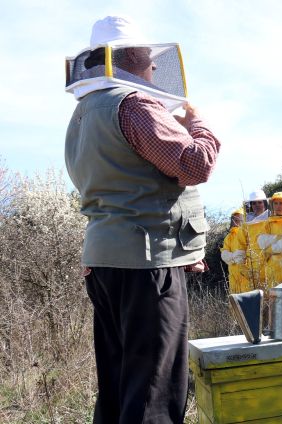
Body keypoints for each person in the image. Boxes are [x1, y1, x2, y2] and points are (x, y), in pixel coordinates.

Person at [64, 16, 220, 423]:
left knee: (119, 384)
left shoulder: (82, 114)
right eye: (148, 60)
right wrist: (197, 123)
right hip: (147, 264)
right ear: (133, 58)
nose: (153, 68)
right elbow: (194, 164)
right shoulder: (133, 105)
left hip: (104, 261)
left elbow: (118, 190)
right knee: (154, 387)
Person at [237, 189, 270, 288]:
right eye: (254, 203)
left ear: (264, 203)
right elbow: (241, 244)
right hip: (253, 264)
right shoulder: (246, 224)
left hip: (270, 260)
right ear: (250, 205)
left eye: (260, 202)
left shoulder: (272, 219)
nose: (257, 205)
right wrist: (243, 266)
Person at [221, 209, 252, 293]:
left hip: (247, 273)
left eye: (240, 219)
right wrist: (236, 257)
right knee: (235, 299)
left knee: (248, 297)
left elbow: (252, 250)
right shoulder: (228, 237)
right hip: (233, 274)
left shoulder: (248, 232)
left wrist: (242, 257)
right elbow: (224, 255)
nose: (237, 221)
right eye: (235, 219)